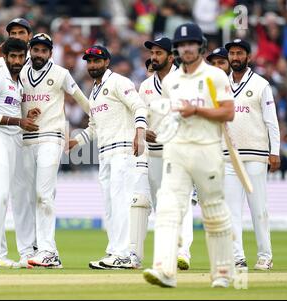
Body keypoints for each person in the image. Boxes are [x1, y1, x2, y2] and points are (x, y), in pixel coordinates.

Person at [143, 23, 235, 288]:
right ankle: (165, 269)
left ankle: (222, 271)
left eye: (190, 44)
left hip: (206, 150)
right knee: (168, 209)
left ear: (200, 47)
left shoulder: (215, 77)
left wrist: (198, 111)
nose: (186, 49)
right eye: (182, 45)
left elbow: (228, 112)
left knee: (213, 211)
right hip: (177, 151)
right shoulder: (171, 81)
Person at [68, 45, 147, 269]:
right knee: (111, 205)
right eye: (89, 61)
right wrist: (75, 141)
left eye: (96, 61)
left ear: (106, 62)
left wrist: (139, 135)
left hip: (123, 151)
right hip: (105, 154)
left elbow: (139, 107)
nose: (92, 65)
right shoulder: (93, 91)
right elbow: (93, 128)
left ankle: (122, 253)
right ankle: (116, 252)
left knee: (120, 202)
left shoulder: (119, 82)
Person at [16, 33, 90, 268]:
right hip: (25, 140)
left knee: (44, 194)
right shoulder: (18, 73)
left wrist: (100, 118)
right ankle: (32, 250)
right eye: (35, 50)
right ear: (30, 50)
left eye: (43, 51)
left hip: (51, 136)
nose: (39, 54)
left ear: (50, 53)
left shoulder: (61, 74)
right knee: (27, 198)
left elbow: (82, 100)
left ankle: (48, 250)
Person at [0, 37, 38, 269]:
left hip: (11, 140)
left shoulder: (17, 82)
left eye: (21, 57)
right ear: (5, 56)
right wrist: (18, 120)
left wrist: (26, 116)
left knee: (0, 195)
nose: (17, 61)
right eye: (13, 56)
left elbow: (10, 109)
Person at [224, 38, 280, 271]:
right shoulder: (220, 85)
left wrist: (274, 152)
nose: (235, 57)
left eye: (239, 53)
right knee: (231, 210)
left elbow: (271, 121)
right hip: (228, 156)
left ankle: (265, 256)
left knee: (258, 208)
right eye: (232, 54)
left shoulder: (260, 84)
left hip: (256, 154)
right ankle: (237, 257)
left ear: (248, 57)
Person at [139, 37, 194, 270]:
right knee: (161, 206)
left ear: (171, 57)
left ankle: (183, 251)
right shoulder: (145, 86)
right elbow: (140, 115)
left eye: (159, 53)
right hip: (154, 153)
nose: (154, 57)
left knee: (182, 201)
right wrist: (144, 132)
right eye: (153, 53)